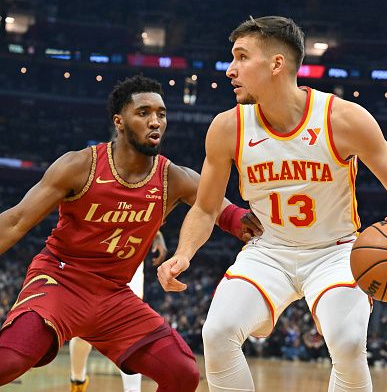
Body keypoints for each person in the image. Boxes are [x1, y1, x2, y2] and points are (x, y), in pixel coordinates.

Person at [157, 16, 387, 392]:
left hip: (335, 252)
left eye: (241, 57)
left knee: (349, 343)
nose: (230, 70)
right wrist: (184, 252)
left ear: (277, 64)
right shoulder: (227, 127)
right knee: (217, 332)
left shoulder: (343, 119)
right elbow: (206, 208)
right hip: (269, 251)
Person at [0, 75, 262, 391]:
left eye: (161, 114)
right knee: (10, 362)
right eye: (143, 113)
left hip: (113, 296)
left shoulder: (172, 177)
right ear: (119, 121)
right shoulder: (79, 166)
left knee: (182, 374)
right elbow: (15, 222)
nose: (155, 121)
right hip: (61, 282)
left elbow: (225, 211)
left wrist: (253, 224)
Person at [69, 233, 167, 392]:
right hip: (95, 261)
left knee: (131, 334)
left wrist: (157, 235)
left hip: (129, 266)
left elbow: (152, 213)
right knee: (82, 333)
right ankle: (77, 381)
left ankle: (132, 390)